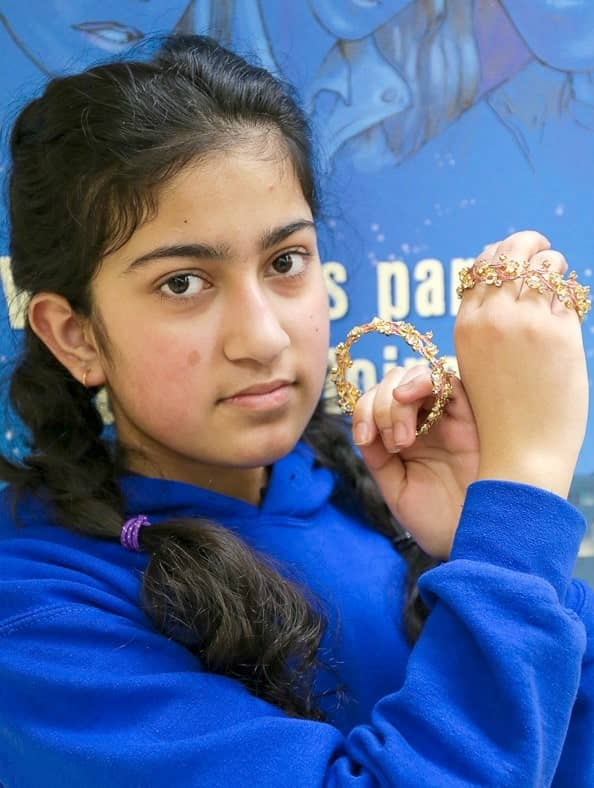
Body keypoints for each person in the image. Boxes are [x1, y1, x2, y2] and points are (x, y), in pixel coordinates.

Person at [0, 33, 592, 787]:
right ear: (75, 335)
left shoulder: (365, 488)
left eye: (285, 262)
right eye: (184, 283)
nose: (263, 336)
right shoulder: (37, 607)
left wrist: (474, 546)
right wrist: (526, 492)